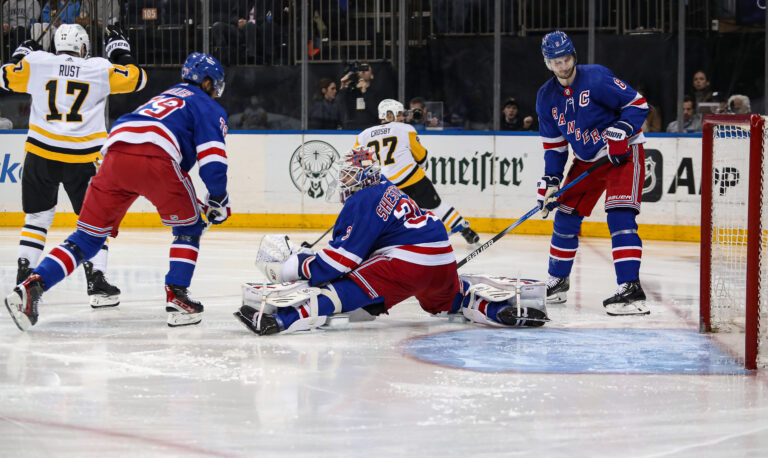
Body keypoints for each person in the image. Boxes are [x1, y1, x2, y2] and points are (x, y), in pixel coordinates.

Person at [3, 52, 230, 331]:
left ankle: (31, 287)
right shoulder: (207, 105)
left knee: (86, 237)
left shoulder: (163, 96)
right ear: (207, 82)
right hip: (156, 157)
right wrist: (218, 197)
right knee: (189, 228)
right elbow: (213, 160)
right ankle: (178, 298)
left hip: (113, 153)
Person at [234, 146, 548, 335]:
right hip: (441, 257)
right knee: (451, 300)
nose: (342, 182)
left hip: (405, 262)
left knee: (339, 291)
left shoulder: (363, 199)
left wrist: (295, 266)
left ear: (359, 178)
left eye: (346, 176)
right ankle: (495, 309)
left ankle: (282, 319)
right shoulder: (392, 191)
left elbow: (338, 263)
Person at [0, 24, 146, 308]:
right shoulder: (98, 67)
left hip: (40, 153)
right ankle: (97, 282)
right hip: (83, 157)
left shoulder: (37, 63)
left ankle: (24, 277)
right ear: (83, 47)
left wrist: (20, 56)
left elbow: (4, 78)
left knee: (37, 219)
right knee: (96, 223)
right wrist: (120, 51)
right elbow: (137, 80)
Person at [535, 30, 650, 316]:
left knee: (620, 214)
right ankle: (558, 281)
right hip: (587, 160)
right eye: (556, 62)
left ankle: (631, 289)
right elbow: (556, 146)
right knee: (564, 214)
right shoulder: (546, 97)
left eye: (566, 58)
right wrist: (551, 180)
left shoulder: (597, 77)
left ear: (573, 55)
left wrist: (621, 131)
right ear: (547, 63)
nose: (562, 66)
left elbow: (638, 104)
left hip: (622, 154)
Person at [354, 99, 480, 245]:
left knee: (385, 217)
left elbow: (358, 163)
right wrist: (420, 163)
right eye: (399, 114)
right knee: (436, 206)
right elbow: (422, 158)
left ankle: (370, 242)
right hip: (412, 179)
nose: (402, 117)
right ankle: (465, 231)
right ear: (389, 115)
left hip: (385, 186)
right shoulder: (405, 129)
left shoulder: (363, 136)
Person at [337, 62, 393, 130]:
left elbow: (376, 112)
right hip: (352, 128)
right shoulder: (351, 91)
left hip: (370, 128)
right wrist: (343, 87)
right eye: (360, 69)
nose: (363, 71)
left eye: (366, 69)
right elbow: (340, 107)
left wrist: (365, 92)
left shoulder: (376, 92)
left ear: (372, 75)